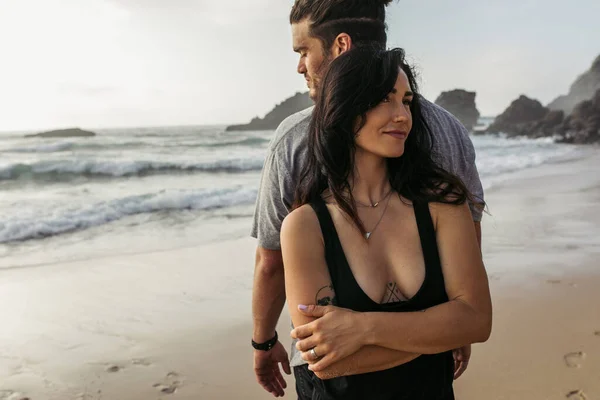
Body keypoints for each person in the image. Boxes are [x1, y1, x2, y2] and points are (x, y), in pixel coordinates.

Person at [250, 0, 485, 397]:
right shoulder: (452, 129)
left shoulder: (292, 138)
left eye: (304, 50)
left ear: (340, 45)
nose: (300, 66)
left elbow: (270, 263)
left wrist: (263, 340)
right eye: (384, 99)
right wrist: (438, 332)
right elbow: (327, 359)